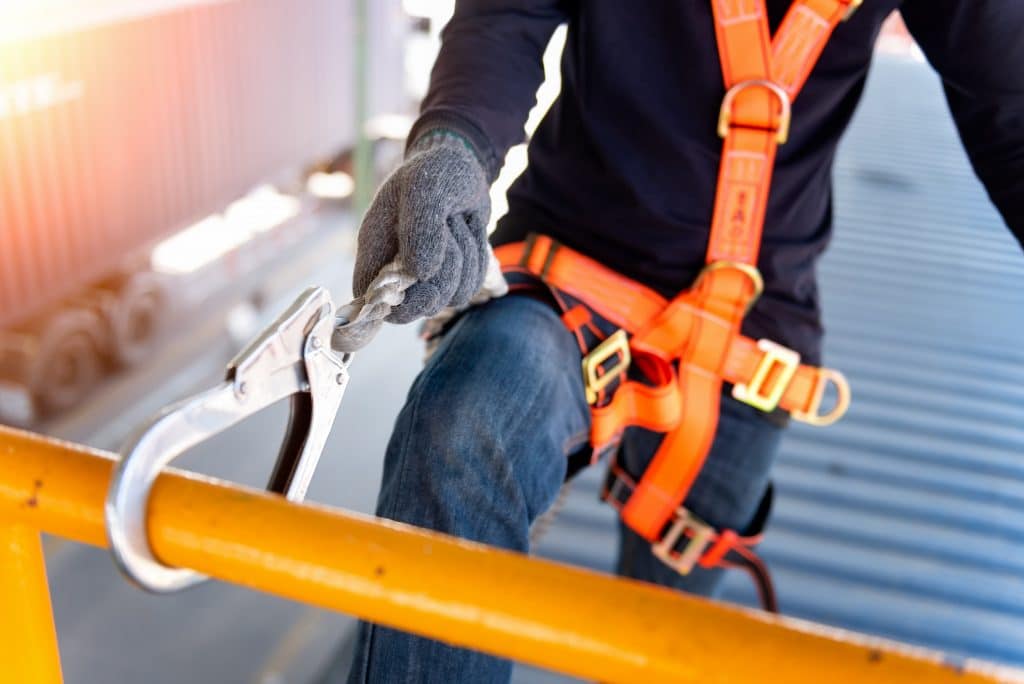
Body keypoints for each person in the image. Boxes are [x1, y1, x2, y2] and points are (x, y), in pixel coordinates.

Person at [342, 1, 1024, 681]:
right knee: (466, 421)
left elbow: (1011, 111)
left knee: (666, 647)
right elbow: (509, 11)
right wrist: (454, 145)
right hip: (573, 261)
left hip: (753, 333)